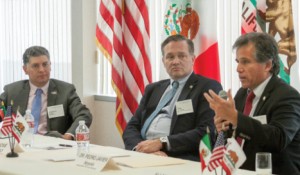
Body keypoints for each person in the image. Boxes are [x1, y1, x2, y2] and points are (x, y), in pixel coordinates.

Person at [204, 32, 300, 174]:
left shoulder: (287, 96)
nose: (238, 69)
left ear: (267, 65)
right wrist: (223, 128)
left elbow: (278, 138)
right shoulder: (243, 94)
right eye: (238, 62)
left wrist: (236, 118)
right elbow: (239, 135)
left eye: (246, 62)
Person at [122, 35, 222, 161]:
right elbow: (132, 127)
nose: (175, 61)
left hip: (177, 156)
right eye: (170, 57)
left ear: (192, 59)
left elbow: (206, 131)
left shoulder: (207, 87)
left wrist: (162, 142)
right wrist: (140, 149)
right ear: (163, 61)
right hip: (144, 154)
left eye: (181, 56)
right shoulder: (153, 89)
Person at [0, 46, 93, 140]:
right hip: (20, 144)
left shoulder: (65, 90)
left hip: (52, 145)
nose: (41, 70)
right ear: (25, 69)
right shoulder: (12, 90)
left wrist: (68, 136)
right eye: (35, 66)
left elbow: (84, 114)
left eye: (45, 64)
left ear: (50, 65)